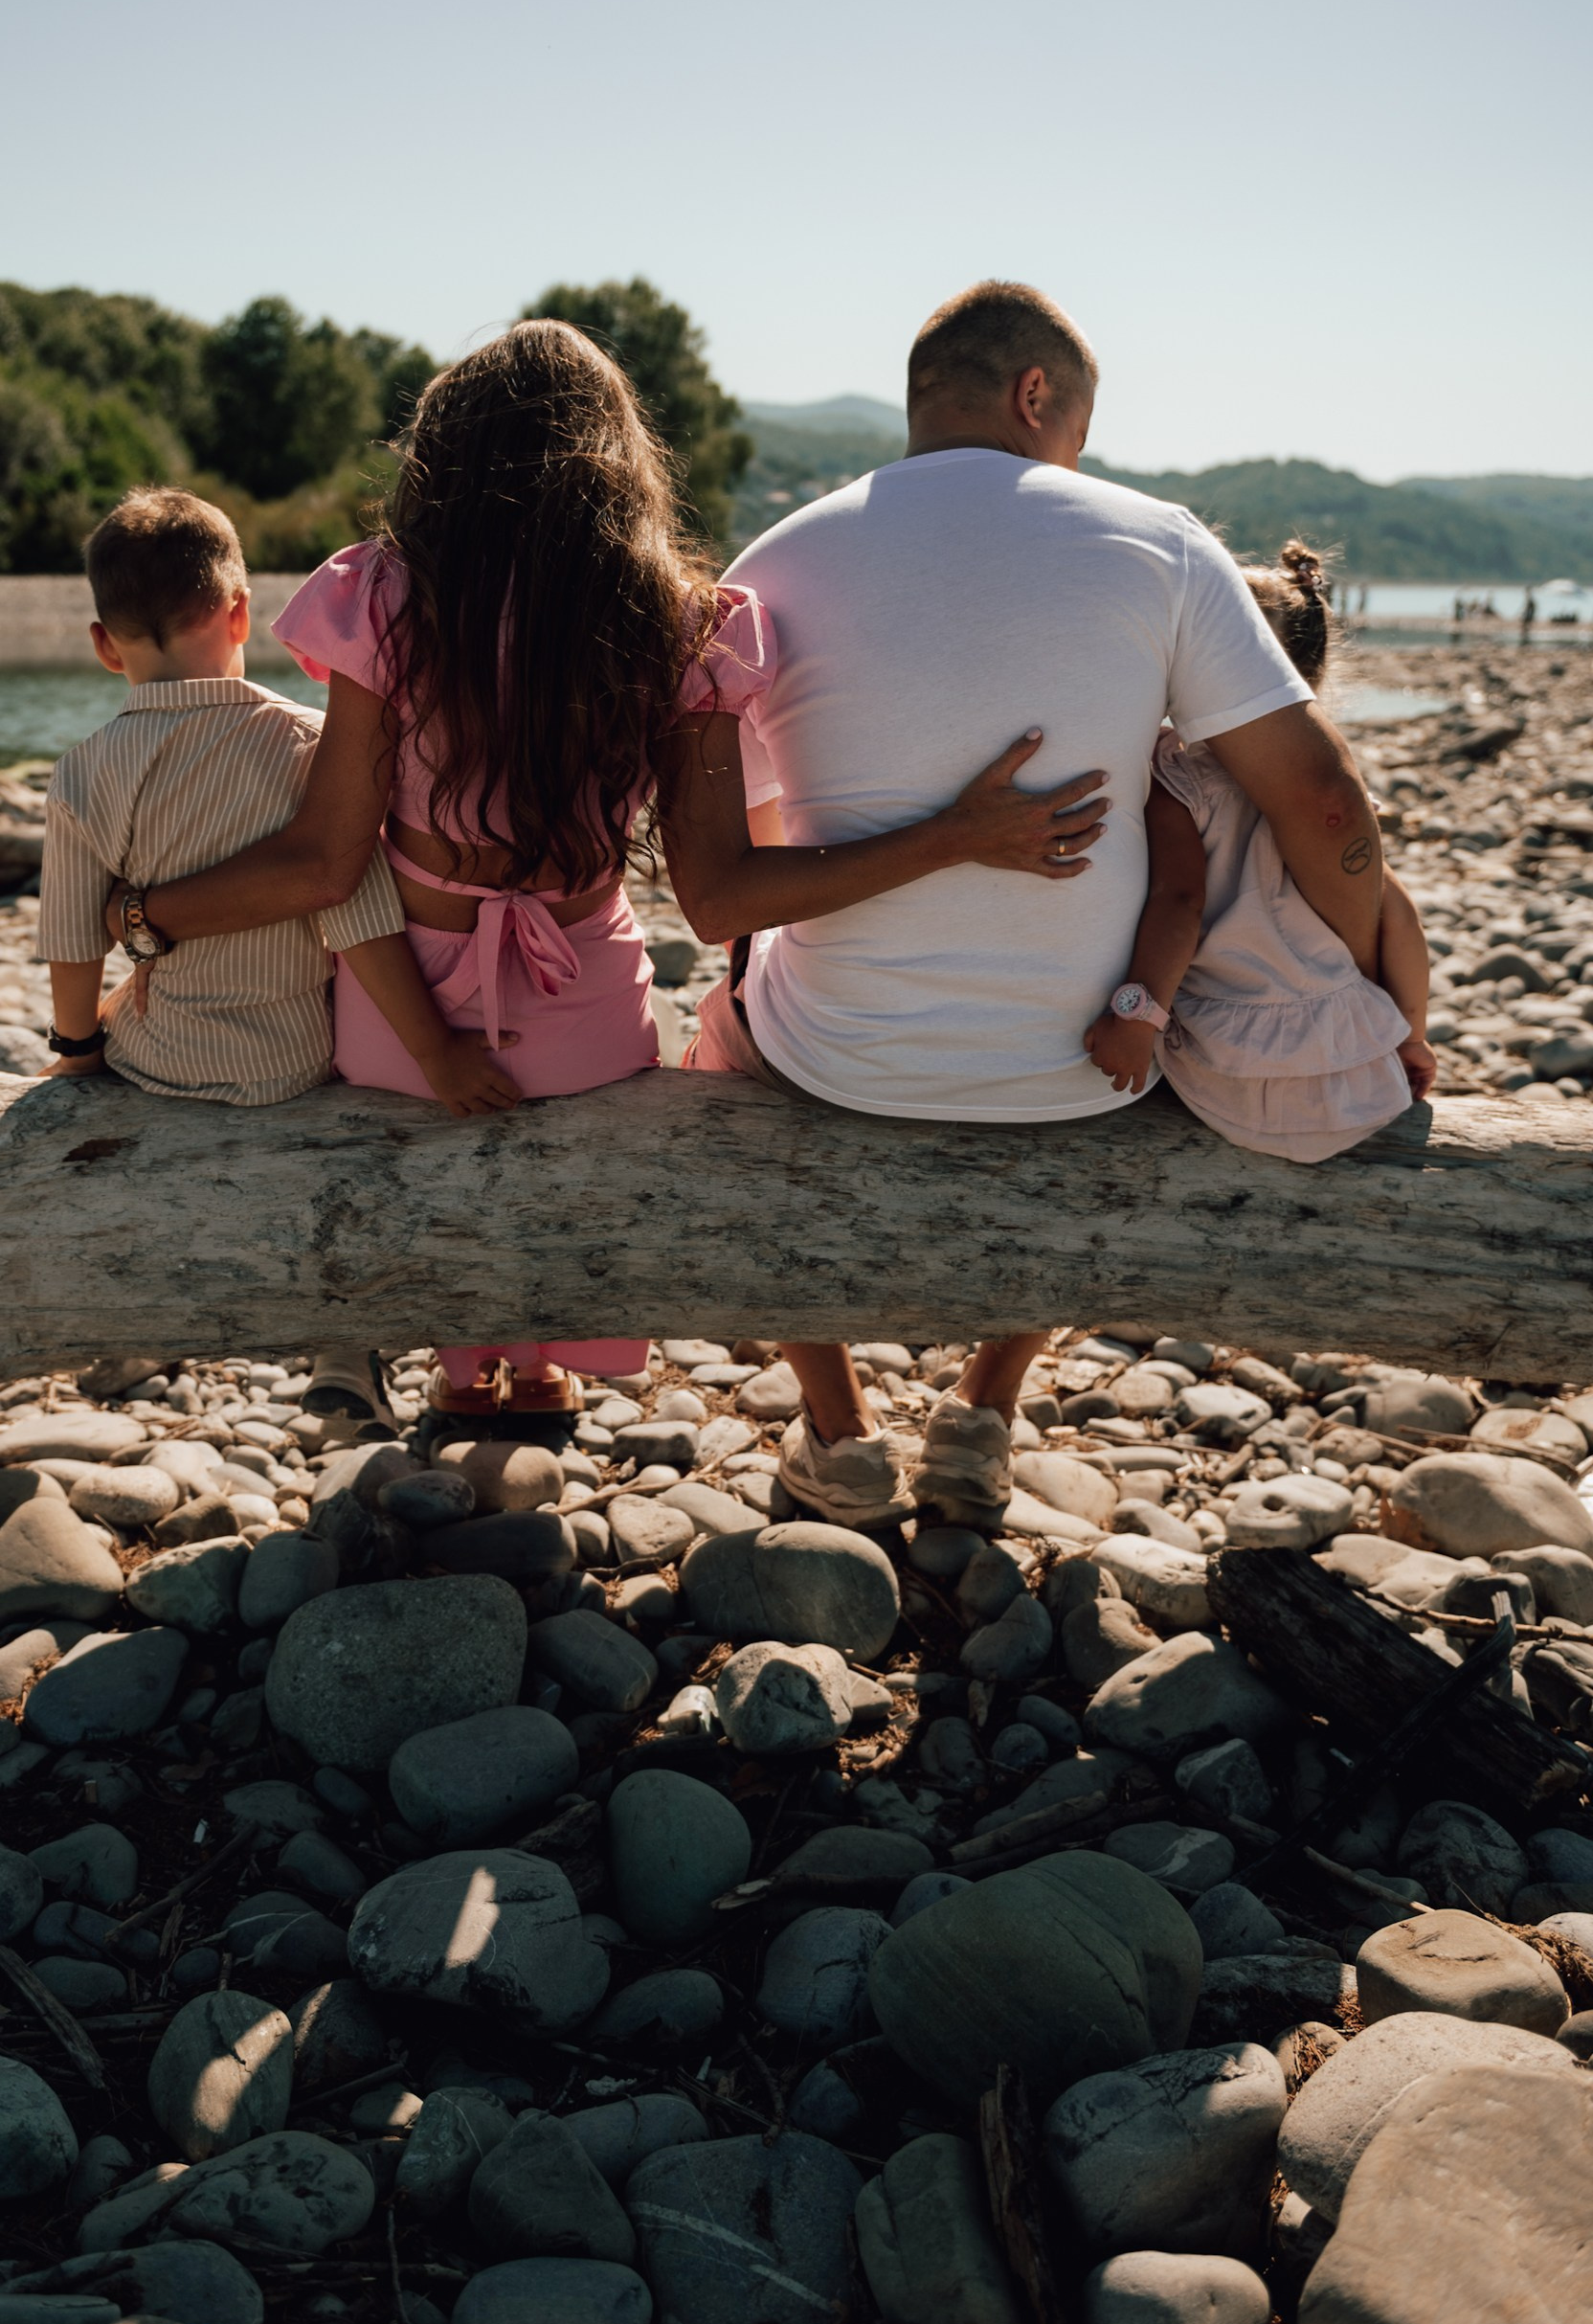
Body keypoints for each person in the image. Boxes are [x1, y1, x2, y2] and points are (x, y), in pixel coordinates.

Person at [107, 323, 1105, 1432]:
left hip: (404, 1004)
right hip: (586, 998)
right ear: (618, 460)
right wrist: (951, 834)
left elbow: (327, 860)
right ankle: (544, 1364)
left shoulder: (388, 598)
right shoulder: (682, 623)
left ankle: (458, 1369)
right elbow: (720, 896)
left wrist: (147, 917)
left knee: (418, 1165)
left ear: (448, 456)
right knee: (567, 1185)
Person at [676, 279, 1385, 1532]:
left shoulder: (767, 565)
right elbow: (1326, 810)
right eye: (1079, 422)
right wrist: (1378, 999)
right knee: (1133, 968)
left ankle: (839, 1431)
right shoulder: (1162, 541)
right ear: (1035, 393)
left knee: (720, 1016)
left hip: (833, 1059)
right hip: (1082, 1075)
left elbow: (737, 871)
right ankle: (988, 1407)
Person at [37, 485, 461, 1107]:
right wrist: (436, 1054)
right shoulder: (311, 743)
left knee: (117, 1006)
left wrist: (77, 1052)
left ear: (104, 645)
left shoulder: (79, 772)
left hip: (164, 1061)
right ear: (239, 615)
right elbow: (360, 916)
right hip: (301, 1057)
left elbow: (73, 941)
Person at [1084, 540, 1436, 1156]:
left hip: (1233, 1064)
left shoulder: (1177, 773)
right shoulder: (1329, 784)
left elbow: (1180, 900)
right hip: (1354, 1063)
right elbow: (1395, 912)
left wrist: (1136, 1018)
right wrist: (1408, 1035)